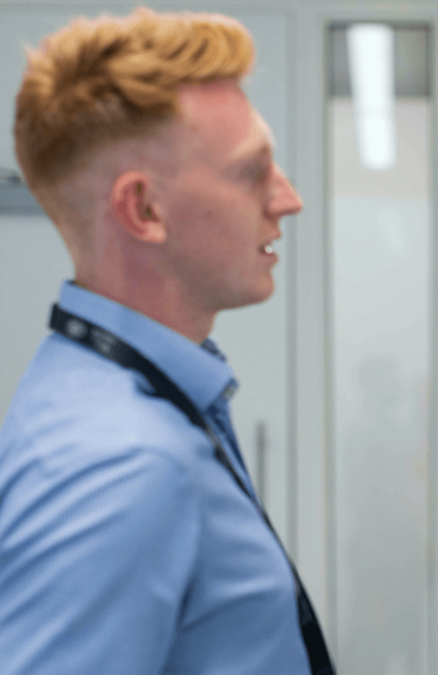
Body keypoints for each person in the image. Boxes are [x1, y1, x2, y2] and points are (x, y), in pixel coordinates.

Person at [0, 9, 333, 674]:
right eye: (253, 171)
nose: (288, 198)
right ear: (144, 210)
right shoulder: (117, 462)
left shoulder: (128, 396)